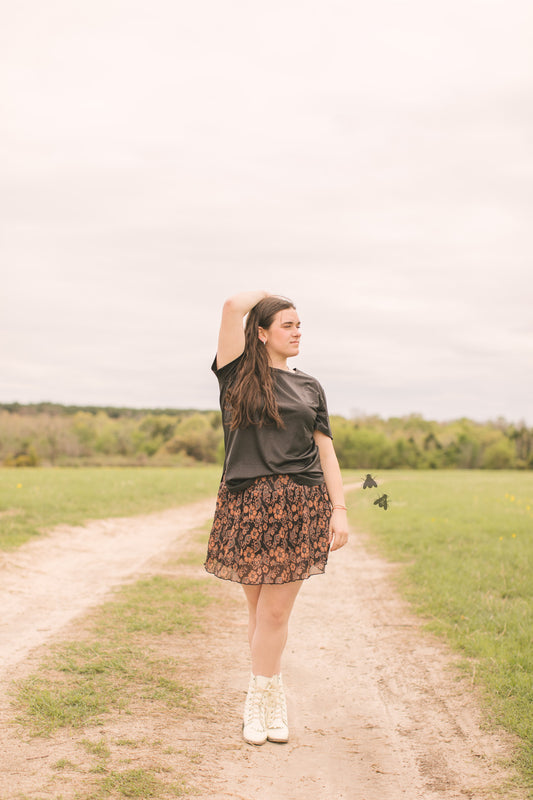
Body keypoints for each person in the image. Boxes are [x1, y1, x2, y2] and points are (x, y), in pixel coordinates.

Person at [204, 290, 349, 746]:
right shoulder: (237, 374)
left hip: (300, 503)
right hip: (247, 502)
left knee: (274, 609)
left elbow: (325, 449)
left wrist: (339, 509)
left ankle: (264, 697)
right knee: (258, 610)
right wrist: (270, 296)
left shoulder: (310, 387)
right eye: (287, 324)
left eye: (300, 324)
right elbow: (231, 307)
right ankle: (264, 695)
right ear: (262, 333)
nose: (297, 331)